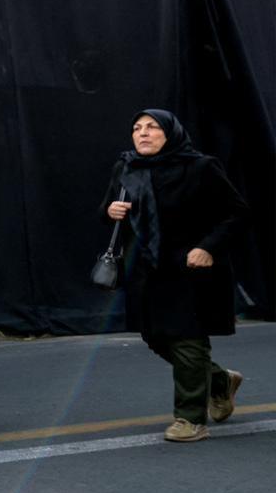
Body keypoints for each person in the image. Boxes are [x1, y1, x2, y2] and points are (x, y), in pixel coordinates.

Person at [101, 108, 247, 442]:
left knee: (186, 338)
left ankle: (189, 419)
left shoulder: (200, 168)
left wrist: (209, 246)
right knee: (154, 336)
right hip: (145, 270)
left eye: (152, 127)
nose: (143, 133)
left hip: (191, 267)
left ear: (171, 133)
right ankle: (220, 381)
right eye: (137, 128)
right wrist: (111, 210)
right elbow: (106, 212)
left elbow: (237, 213)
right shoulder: (126, 168)